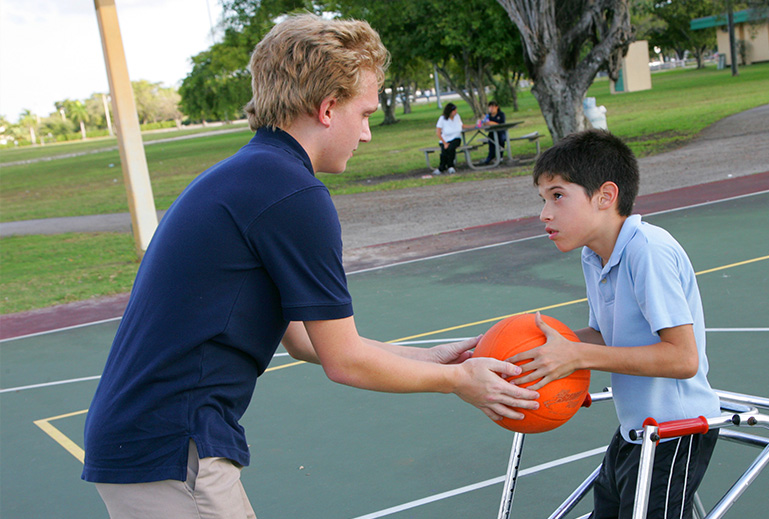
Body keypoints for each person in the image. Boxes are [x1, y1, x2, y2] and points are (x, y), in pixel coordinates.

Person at [81, 14, 538, 518]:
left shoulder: (255, 174)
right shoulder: (292, 193)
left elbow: (302, 340)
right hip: (171, 444)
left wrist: (435, 359)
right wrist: (460, 383)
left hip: (145, 441)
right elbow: (345, 361)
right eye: (363, 114)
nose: (366, 134)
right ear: (327, 108)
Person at [508, 130, 722, 518]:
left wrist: (576, 354)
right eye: (543, 200)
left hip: (677, 431)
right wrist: (520, 344)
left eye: (557, 196)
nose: (544, 213)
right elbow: (606, 336)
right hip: (635, 431)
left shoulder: (648, 251)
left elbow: (683, 358)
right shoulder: (595, 256)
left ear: (606, 196)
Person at [434, 102, 473, 175]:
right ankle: (441, 167)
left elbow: (462, 125)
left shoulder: (457, 117)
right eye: (454, 111)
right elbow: (438, 132)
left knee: (451, 148)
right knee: (444, 151)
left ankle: (450, 165)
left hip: (456, 138)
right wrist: (444, 143)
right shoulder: (442, 119)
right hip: (445, 139)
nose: (455, 112)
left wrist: (473, 126)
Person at [480, 101, 506, 165]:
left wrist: (491, 123)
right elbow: (482, 124)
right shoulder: (488, 116)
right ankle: (491, 156)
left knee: (501, 140)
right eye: (490, 107)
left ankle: (500, 156)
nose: (491, 109)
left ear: (497, 107)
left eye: (493, 107)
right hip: (491, 133)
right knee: (491, 141)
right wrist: (483, 121)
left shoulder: (501, 114)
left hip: (500, 132)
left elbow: (501, 123)